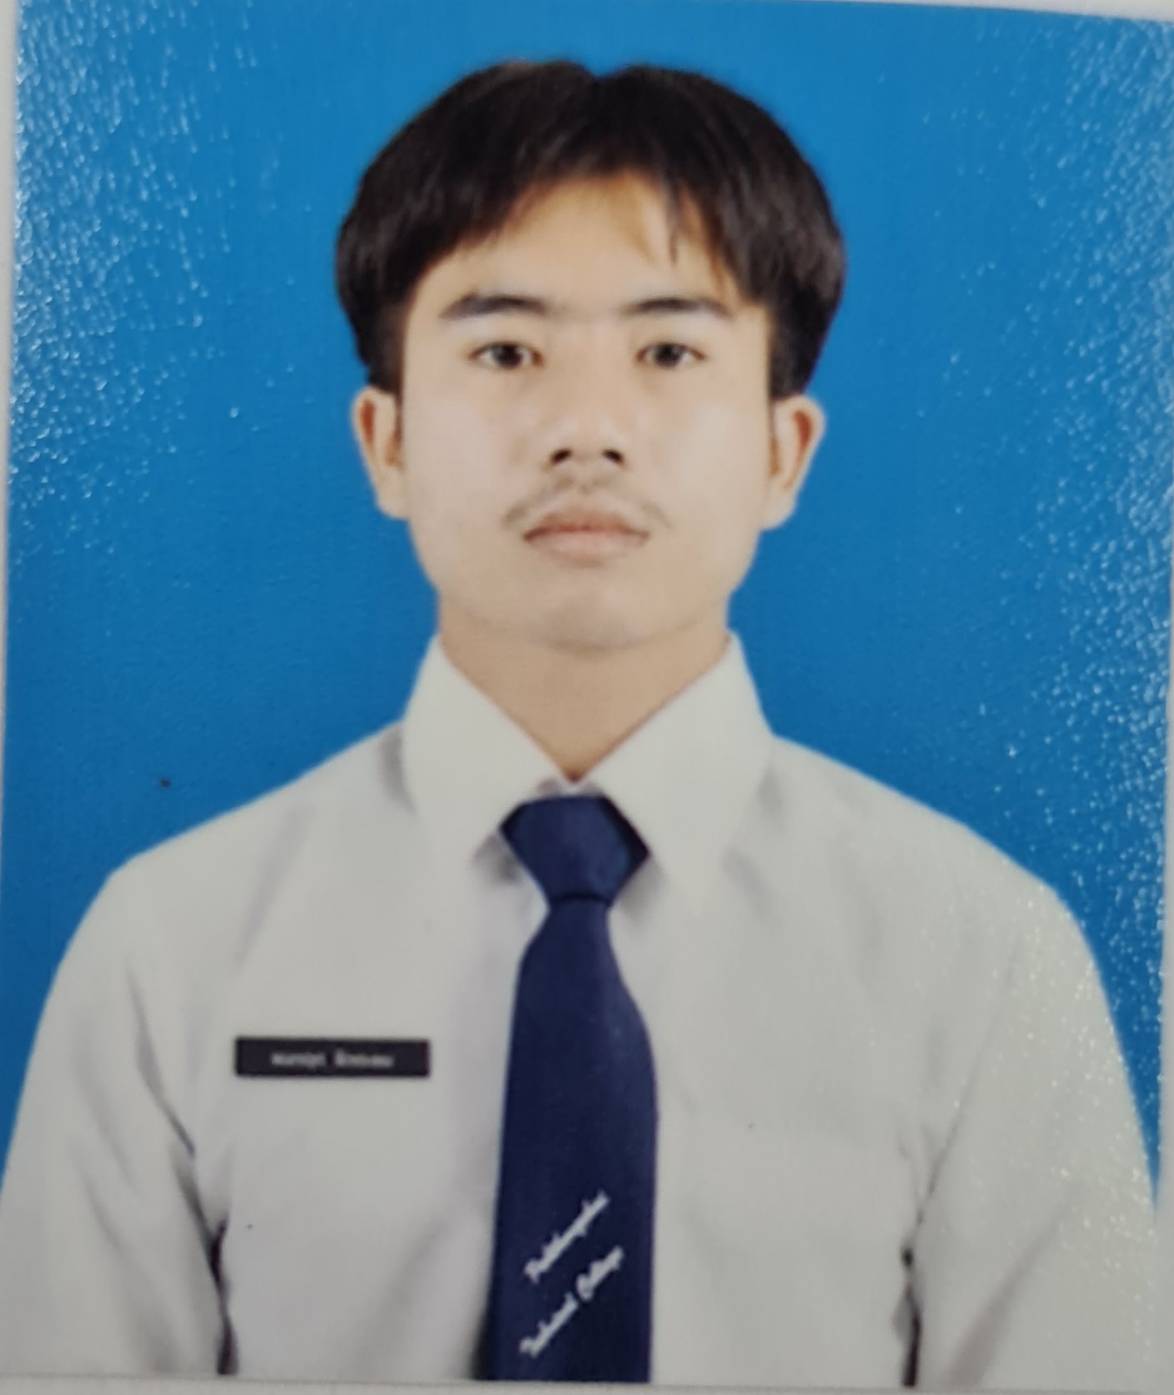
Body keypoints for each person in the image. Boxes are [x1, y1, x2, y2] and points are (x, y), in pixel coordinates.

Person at [0, 59, 1155, 1390]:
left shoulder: (984, 959)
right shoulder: (170, 949)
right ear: (385, 442)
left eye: (668, 352)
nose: (586, 431)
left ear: (784, 452)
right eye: (505, 351)